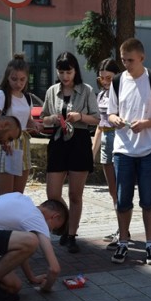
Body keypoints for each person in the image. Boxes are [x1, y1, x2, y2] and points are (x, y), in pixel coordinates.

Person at [107, 38, 151, 265]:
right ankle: (123, 242)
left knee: (148, 200)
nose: (126, 64)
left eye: (130, 60)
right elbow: (110, 113)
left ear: (142, 58)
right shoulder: (117, 81)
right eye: (123, 60)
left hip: (149, 149)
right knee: (123, 200)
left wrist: (145, 123)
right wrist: (116, 120)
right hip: (123, 149)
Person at [41, 52, 99, 254]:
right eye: (61, 72)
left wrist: (80, 116)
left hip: (79, 141)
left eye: (69, 71)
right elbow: (44, 118)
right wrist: (53, 119)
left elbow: (98, 118)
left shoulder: (86, 90)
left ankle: (72, 234)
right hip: (58, 141)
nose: (65, 76)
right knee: (53, 194)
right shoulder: (52, 91)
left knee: (75, 194)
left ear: (75, 71)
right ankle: (64, 226)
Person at [0, 54, 44, 196]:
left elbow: (27, 119)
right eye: (14, 79)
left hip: (23, 144)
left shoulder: (27, 97)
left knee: (18, 195)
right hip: (4, 145)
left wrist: (34, 124)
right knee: (6, 196)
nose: (18, 83)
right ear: (7, 77)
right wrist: (2, 139)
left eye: (22, 80)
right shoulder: (1, 95)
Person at [94, 58, 124, 250]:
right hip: (106, 138)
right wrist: (92, 151)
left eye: (109, 78)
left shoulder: (122, 94)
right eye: (102, 78)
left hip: (119, 139)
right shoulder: (102, 95)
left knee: (122, 190)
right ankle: (121, 228)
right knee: (113, 190)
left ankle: (123, 230)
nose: (105, 82)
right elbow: (99, 124)